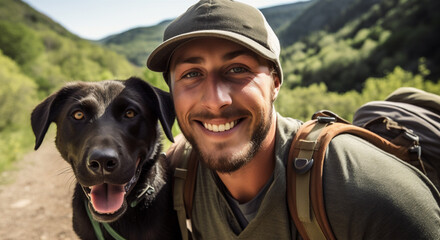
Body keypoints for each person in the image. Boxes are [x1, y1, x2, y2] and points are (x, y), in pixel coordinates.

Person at [147, 0, 440, 239]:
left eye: (237, 69)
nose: (215, 99)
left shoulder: (367, 194)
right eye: (191, 74)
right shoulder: (175, 177)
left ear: (275, 82)